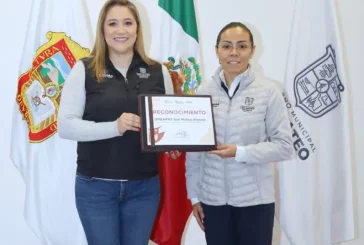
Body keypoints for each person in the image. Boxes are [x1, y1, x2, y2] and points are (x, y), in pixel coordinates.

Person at [57, 1, 174, 244]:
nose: (121, 30)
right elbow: (66, 126)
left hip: (144, 187)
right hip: (96, 187)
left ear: (138, 29)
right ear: (103, 30)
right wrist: (115, 127)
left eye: (128, 23)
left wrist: (174, 142)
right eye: (113, 23)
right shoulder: (84, 69)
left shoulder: (158, 71)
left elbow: (168, 122)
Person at [185, 22, 294, 245]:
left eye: (242, 46)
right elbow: (194, 152)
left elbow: (284, 145)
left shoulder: (269, 92)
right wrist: (195, 196)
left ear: (252, 50)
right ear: (217, 51)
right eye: (227, 46)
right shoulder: (203, 93)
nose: (234, 52)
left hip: (255, 202)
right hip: (213, 202)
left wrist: (240, 152)